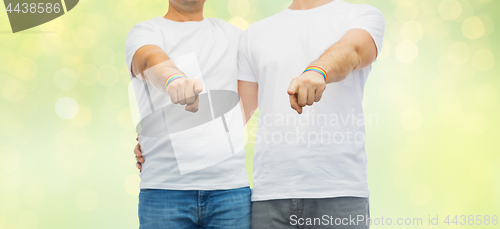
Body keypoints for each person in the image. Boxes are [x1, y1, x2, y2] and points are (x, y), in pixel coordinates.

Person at [237, 0, 385, 228]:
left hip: (339, 192)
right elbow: (237, 114)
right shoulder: (255, 33)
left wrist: (317, 71)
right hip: (270, 195)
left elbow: (354, 50)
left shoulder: (361, 16)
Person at [125, 0, 250, 228]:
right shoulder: (146, 32)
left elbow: (247, 101)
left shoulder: (235, 37)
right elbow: (149, 59)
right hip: (165, 190)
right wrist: (173, 79)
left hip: (229, 189)